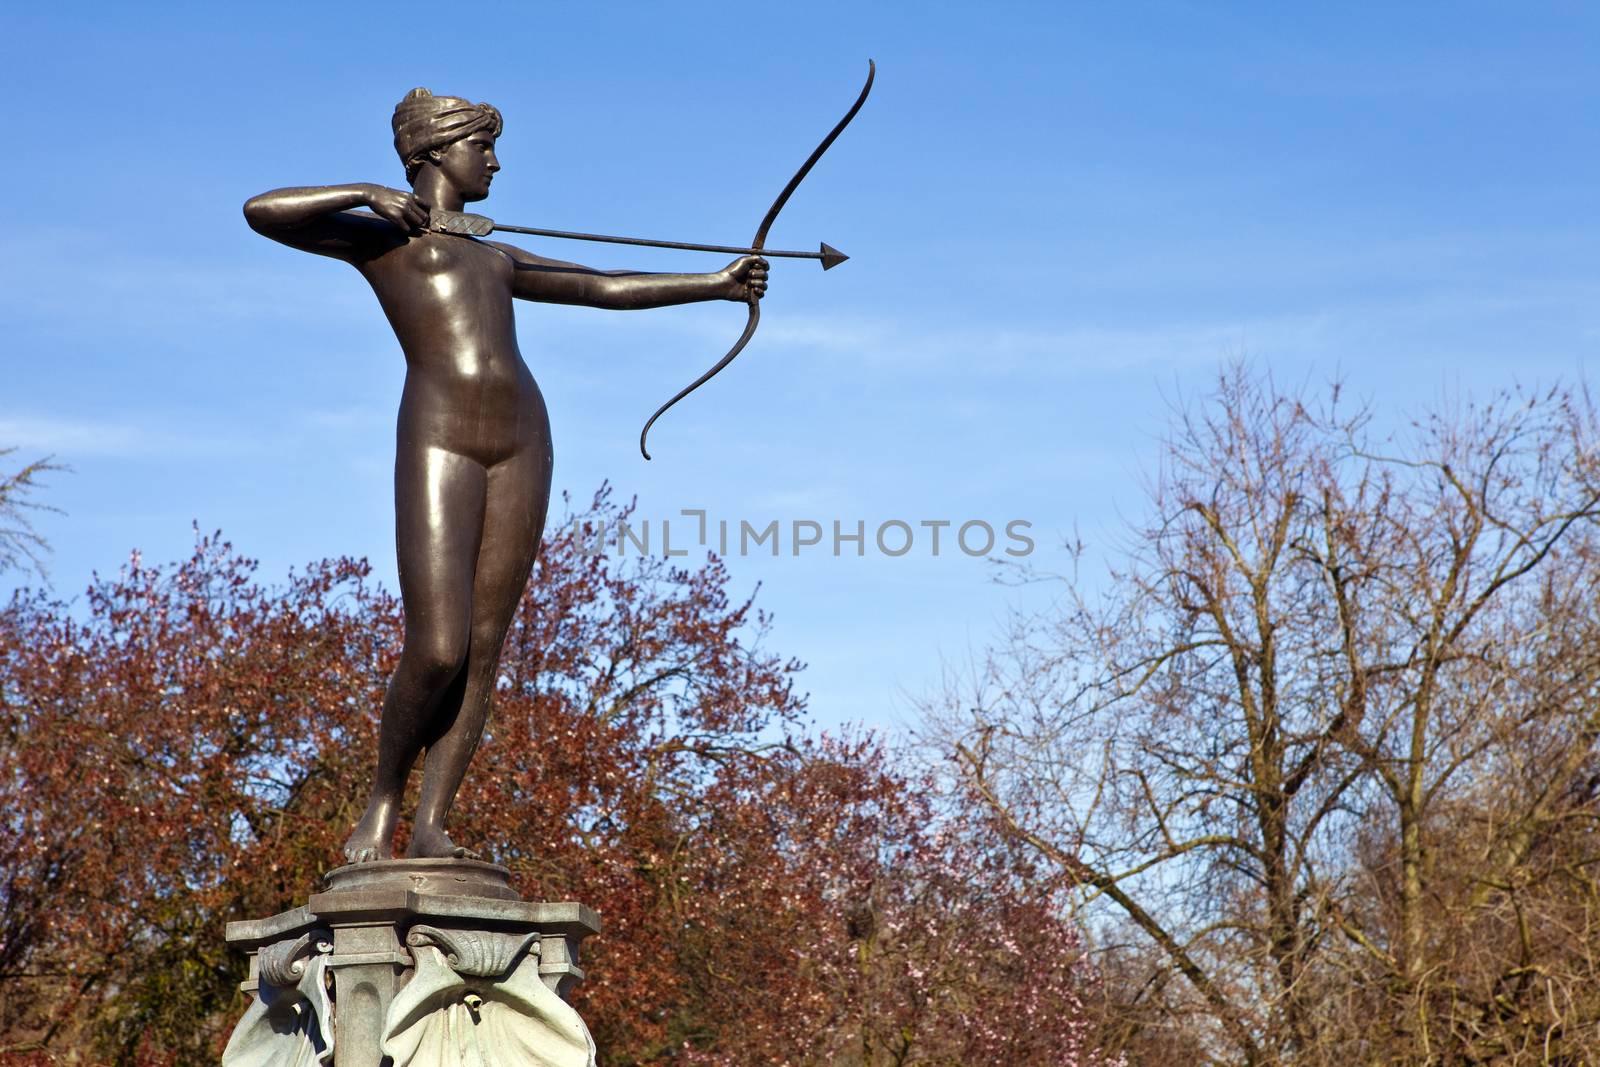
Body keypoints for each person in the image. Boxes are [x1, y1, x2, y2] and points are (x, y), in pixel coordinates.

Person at [244, 88, 768, 863]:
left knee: (485, 646)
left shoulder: (496, 254)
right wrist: (362, 192)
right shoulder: (379, 240)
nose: (494, 161)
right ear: (434, 153)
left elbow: (600, 285)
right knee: (437, 645)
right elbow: (262, 210)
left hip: (523, 437)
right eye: (480, 146)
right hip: (440, 438)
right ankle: (383, 800)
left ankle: (432, 822)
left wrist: (716, 284)